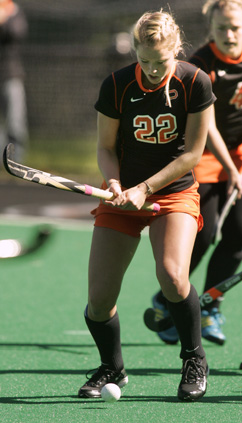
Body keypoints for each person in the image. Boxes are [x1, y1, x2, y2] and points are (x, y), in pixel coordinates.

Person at [77, 8, 215, 402]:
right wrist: (118, 183)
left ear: (178, 52)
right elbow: (105, 147)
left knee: (173, 276)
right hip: (121, 195)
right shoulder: (117, 85)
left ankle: (193, 358)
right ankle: (112, 368)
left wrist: (146, 187)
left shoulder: (195, 82)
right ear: (134, 52)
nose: (154, 71)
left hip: (174, 192)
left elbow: (192, 154)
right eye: (145, 62)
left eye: (162, 62)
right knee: (99, 300)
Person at [151, 0, 242, 346]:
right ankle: (171, 297)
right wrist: (231, 169)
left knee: (237, 236)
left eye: (236, 27)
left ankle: (208, 305)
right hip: (202, 155)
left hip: (239, 157)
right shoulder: (200, 64)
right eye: (222, 29)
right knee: (203, 233)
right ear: (211, 30)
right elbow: (208, 128)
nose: (230, 34)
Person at [0, 0, 28, 163]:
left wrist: (4, 20)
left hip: (11, 75)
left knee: (15, 121)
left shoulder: (15, 12)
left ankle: (16, 162)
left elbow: (17, 32)